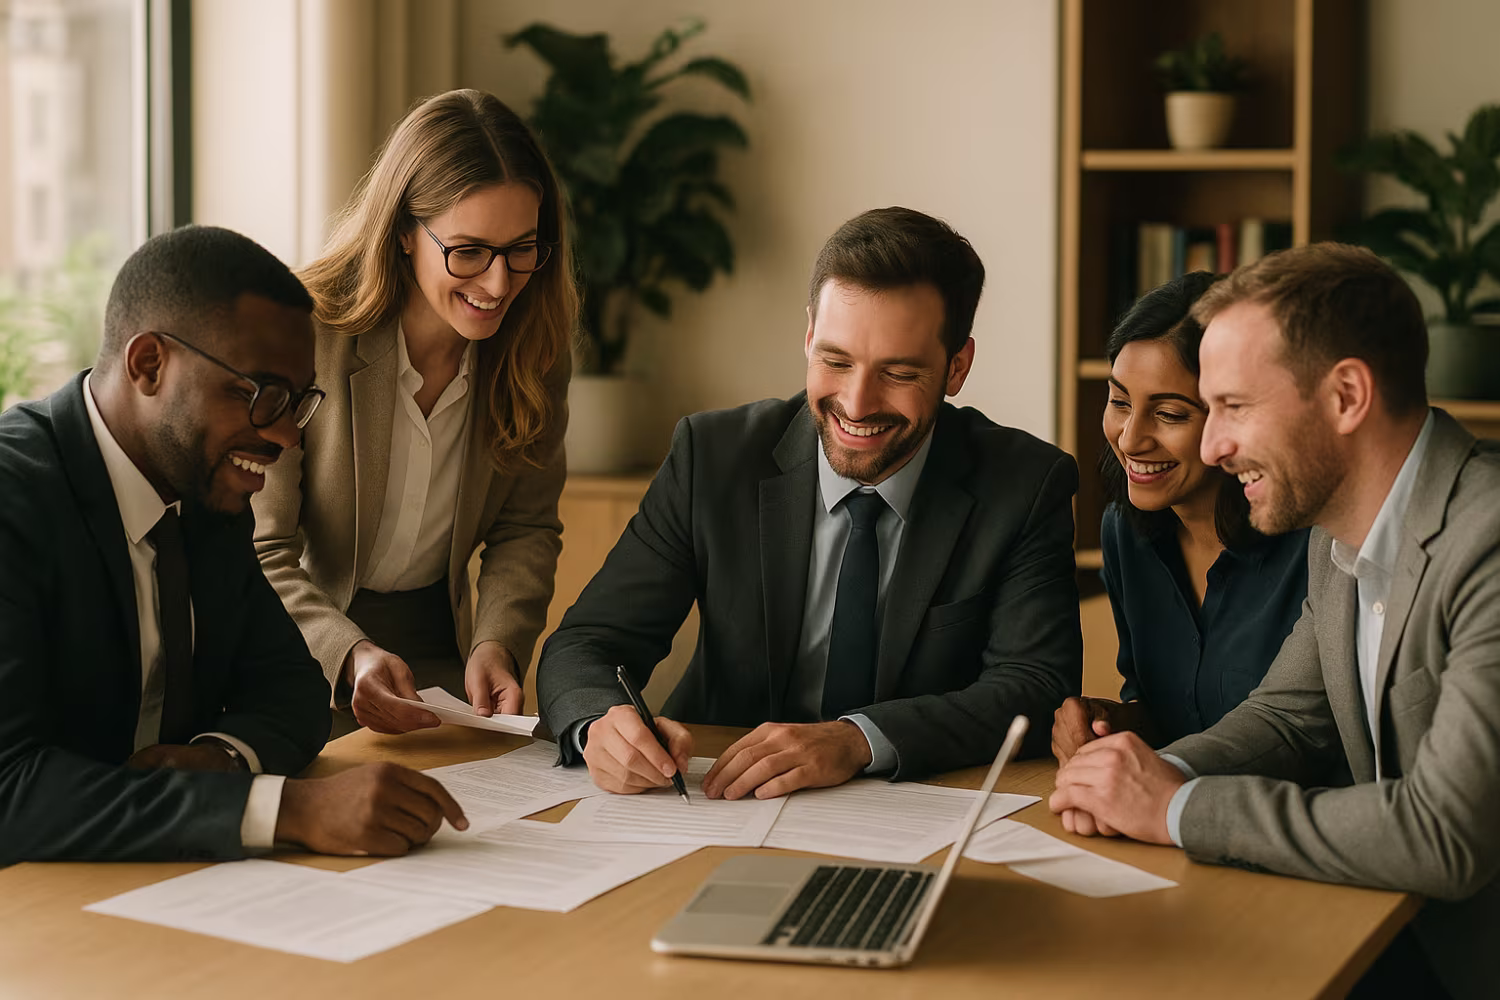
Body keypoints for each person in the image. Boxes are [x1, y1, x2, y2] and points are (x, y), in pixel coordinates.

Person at [1048, 243, 1500, 999]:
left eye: (1234, 407)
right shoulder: (1339, 531)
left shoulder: (1486, 539)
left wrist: (1177, 806)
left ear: (1346, 397)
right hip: (1374, 928)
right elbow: (1288, 718)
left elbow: (1443, 833)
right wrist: (1149, 774)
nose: (1217, 447)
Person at [537, 206, 1082, 800]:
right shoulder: (713, 457)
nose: (856, 402)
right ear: (807, 336)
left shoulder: (1025, 484)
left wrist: (856, 740)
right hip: (716, 801)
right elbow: (587, 643)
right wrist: (599, 727)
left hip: (916, 806)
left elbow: (1034, 685)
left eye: (897, 373)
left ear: (957, 366)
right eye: (835, 360)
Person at [0, 225, 466, 864]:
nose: (287, 438)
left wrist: (221, 759)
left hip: (160, 883)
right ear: (148, 364)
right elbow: (8, 790)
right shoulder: (14, 500)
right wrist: (282, 810)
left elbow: (294, 692)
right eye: (263, 396)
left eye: (298, 402)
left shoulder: (204, 496)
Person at [254, 89, 575, 737]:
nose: (497, 284)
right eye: (469, 250)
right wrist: (349, 654)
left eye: (522, 249)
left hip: (441, 655)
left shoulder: (535, 352)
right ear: (404, 232)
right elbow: (261, 550)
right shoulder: (305, 331)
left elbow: (525, 528)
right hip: (298, 645)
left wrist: (498, 644)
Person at [1050, 273, 1309, 765]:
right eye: (1120, 402)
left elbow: (1313, 736)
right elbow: (1169, 715)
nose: (1129, 439)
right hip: (1158, 821)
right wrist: (1113, 724)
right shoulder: (1125, 533)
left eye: (1169, 414)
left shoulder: (1313, 546)